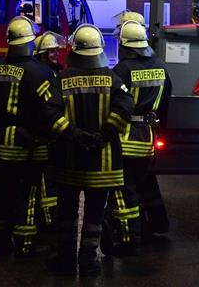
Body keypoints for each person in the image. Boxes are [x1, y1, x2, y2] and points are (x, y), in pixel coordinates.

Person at [42, 24, 134, 276]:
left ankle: (66, 261)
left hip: (70, 160)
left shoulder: (62, 79)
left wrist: (74, 134)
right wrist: (103, 136)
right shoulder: (112, 78)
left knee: (67, 214)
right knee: (95, 214)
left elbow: (49, 112)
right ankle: (89, 261)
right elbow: (126, 106)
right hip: (103, 163)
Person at [0, 16, 52, 257]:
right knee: (26, 195)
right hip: (24, 144)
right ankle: (24, 244)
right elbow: (47, 111)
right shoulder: (39, 72)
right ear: (31, 43)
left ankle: (0, 244)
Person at [104, 20, 172, 256]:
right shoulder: (161, 66)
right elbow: (165, 105)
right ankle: (157, 224)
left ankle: (129, 238)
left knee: (124, 190)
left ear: (126, 46)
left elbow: (112, 104)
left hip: (124, 139)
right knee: (145, 183)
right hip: (148, 139)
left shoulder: (121, 70)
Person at [31, 31, 66, 227]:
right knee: (45, 181)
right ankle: (49, 219)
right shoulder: (40, 75)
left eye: (55, 51)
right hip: (42, 136)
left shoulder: (56, 73)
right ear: (41, 54)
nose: (56, 55)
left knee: (52, 180)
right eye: (51, 52)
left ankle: (50, 217)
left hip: (54, 135)